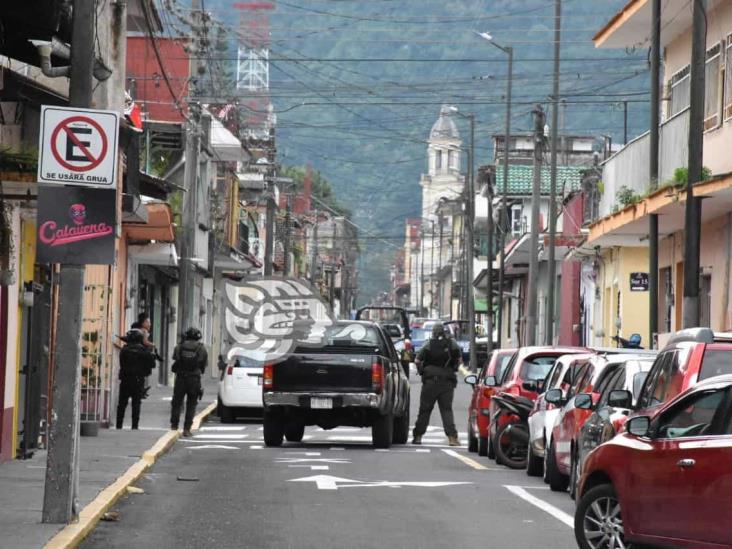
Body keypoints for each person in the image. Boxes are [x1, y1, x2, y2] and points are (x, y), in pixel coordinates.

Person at [412, 322, 462, 446]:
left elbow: (417, 360)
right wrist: (454, 367)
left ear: (433, 332)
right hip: (447, 382)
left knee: (425, 410)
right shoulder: (452, 343)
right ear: (444, 332)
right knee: (446, 410)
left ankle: (418, 436)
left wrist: (421, 370)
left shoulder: (428, 345)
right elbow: (459, 359)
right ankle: (452, 438)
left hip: (430, 382)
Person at [170, 327, 208, 437]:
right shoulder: (201, 348)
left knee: (177, 403)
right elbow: (203, 365)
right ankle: (186, 429)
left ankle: (174, 426)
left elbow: (175, 358)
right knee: (191, 404)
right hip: (194, 379)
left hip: (181, 378)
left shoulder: (179, 347)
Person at [117, 330, 156, 430]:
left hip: (125, 379)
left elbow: (122, 363)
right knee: (136, 403)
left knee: (122, 404)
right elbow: (152, 365)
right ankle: (134, 426)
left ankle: (119, 425)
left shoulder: (124, 350)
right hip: (138, 380)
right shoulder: (144, 351)